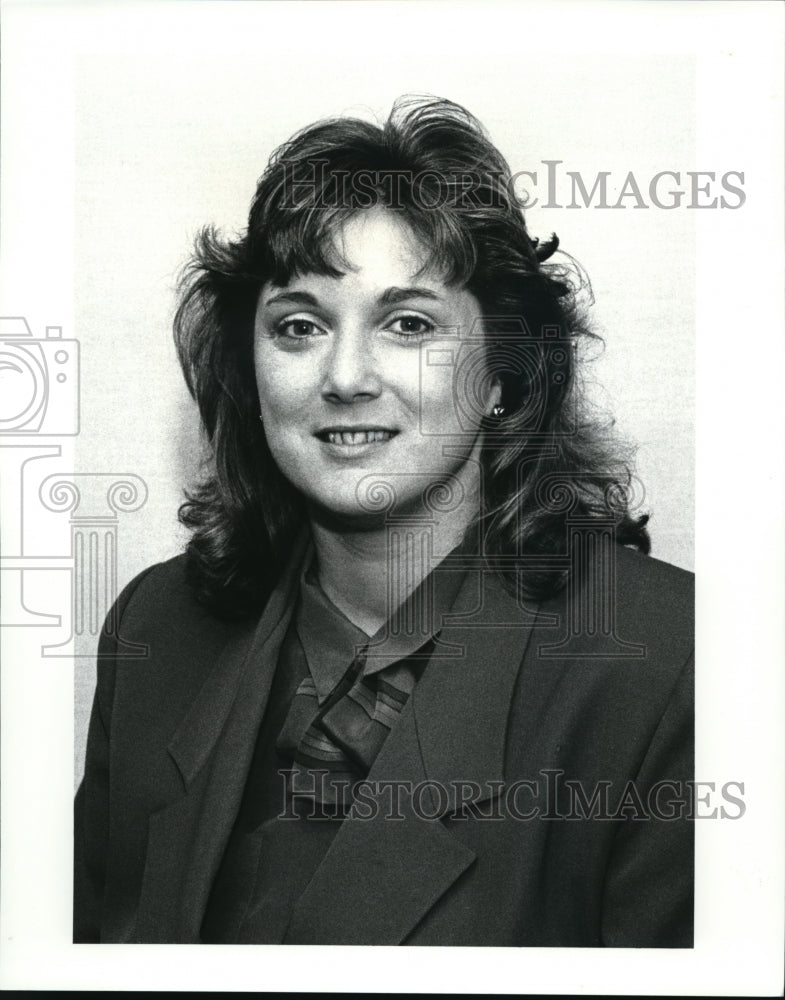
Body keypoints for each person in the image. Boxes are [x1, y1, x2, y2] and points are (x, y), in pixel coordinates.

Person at [73, 96, 694, 946]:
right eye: (298, 326)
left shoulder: (672, 663)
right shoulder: (157, 627)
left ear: (505, 373)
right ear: (251, 377)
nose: (345, 376)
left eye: (407, 323)